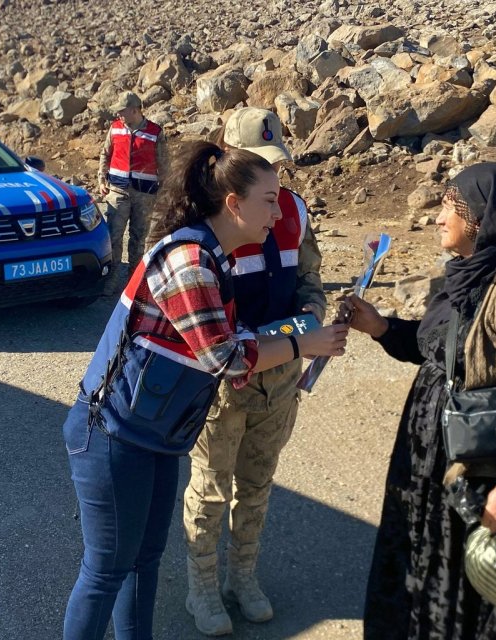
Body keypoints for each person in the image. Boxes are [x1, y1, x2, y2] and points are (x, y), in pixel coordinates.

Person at [60, 142, 348, 640]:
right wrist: (305, 343)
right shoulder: (190, 262)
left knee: (145, 560)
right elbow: (228, 358)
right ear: (233, 203)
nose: (279, 212)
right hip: (113, 436)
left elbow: (235, 342)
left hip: (155, 434)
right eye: (269, 199)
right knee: (107, 569)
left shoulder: (213, 256)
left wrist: (302, 331)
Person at [341, 163, 496, 640]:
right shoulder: (467, 278)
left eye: (450, 205)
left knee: (475, 602)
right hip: (438, 465)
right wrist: (382, 327)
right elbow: (442, 355)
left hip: (488, 475)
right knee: (426, 587)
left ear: (480, 217)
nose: (437, 217)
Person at [180, 108, 325, 636]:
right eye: (259, 165)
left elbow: (310, 275)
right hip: (224, 381)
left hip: (281, 374)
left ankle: (242, 576)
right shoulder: (205, 225)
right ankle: (201, 586)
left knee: (257, 483)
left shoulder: (294, 210)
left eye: (277, 166)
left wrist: (311, 318)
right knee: (212, 487)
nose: (274, 179)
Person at [98, 91, 168, 292]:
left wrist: (164, 192)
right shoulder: (115, 129)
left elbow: (164, 164)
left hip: (145, 195)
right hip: (117, 191)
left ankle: (133, 285)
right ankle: (109, 283)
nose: (118, 115)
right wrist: (101, 179)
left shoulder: (155, 132)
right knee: (114, 236)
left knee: (139, 239)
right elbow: (105, 154)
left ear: (135, 110)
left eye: (122, 111)